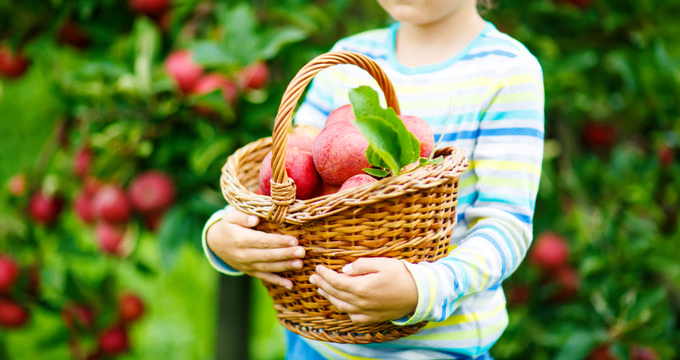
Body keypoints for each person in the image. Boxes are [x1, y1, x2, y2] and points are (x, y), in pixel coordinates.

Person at [202, 0, 545, 358]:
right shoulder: (347, 60)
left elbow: (505, 225)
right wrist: (222, 233)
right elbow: (290, 176)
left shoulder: (507, 73)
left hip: (435, 351)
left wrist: (422, 288)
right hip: (317, 344)